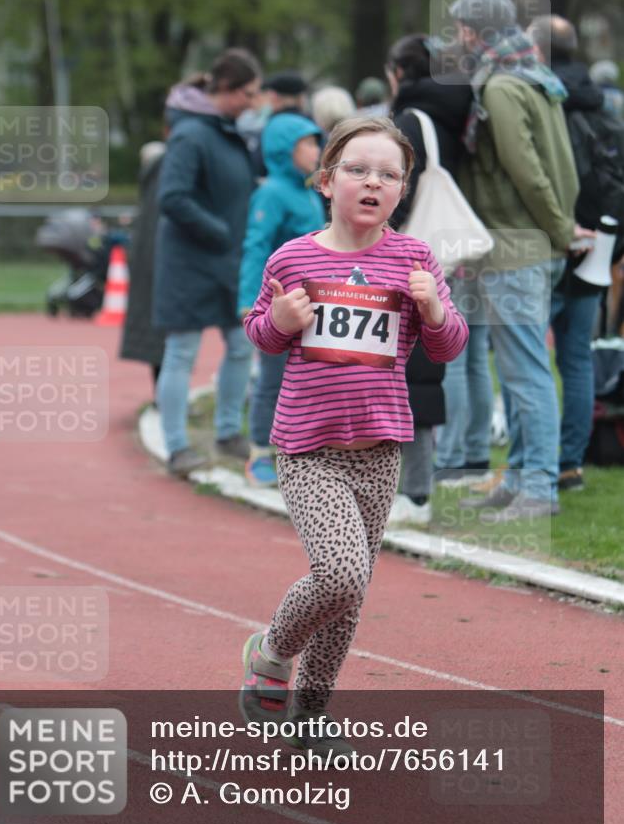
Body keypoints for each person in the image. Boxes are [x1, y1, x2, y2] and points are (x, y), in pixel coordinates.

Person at [239, 115, 468, 753]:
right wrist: (281, 321)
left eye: (388, 175)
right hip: (308, 448)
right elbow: (261, 334)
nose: (372, 183)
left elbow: (448, 347)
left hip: (379, 448)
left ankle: (311, 715)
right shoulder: (294, 257)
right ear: (326, 180)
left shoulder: (414, 259)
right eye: (358, 170)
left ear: (402, 191)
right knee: (340, 574)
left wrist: (433, 308)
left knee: (352, 592)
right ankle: (271, 653)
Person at [450, 0, 581, 520]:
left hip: (516, 244)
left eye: (460, 28)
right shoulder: (535, 76)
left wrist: (558, 228)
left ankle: (539, 489)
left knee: (526, 374)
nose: (457, 38)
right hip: (530, 241)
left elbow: (526, 171)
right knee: (519, 371)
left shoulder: (501, 86)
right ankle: (521, 478)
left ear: (474, 31)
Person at [385, 34, 489, 512]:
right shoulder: (458, 111)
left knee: (423, 362)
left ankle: (427, 474)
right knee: (465, 355)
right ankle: (465, 455)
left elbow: (400, 193)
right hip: (457, 246)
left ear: (399, 72)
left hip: (420, 253)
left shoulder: (412, 120)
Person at [153, 49, 261, 478]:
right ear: (227, 90)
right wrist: (218, 231)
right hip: (190, 262)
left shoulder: (226, 131)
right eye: (248, 94)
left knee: (241, 344)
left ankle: (228, 432)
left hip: (227, 259)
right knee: (182, 352)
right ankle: (177, 447)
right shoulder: (191, 134)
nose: (253, 103)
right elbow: (172, 197)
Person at [527, 15, 603, 490]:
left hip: (548, 241)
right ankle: (571, 463)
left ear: (538, 51)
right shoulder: (603, 104)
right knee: (576, 358)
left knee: (529, 359)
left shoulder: (539, 99)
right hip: (597, 243)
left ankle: (533, 466)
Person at [237, 112, 325, 486]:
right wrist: (248, 301)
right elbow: (255, 246)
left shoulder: (310, 193)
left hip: (314, 308)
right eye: (307, 144)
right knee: (272, 380)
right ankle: (259, 454)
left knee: (309, 380)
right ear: (283, 149)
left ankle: (299, 452)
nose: (316, 151)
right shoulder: (271, 193)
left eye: (316, 142)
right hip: (279, 308)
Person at [120, 140, 167, 394]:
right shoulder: (160, 186)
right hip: (163, 273)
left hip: (150, 273)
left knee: (160, 341)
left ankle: (161, 395)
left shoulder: (150, 189)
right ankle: (164, 397)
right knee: (170, 343)